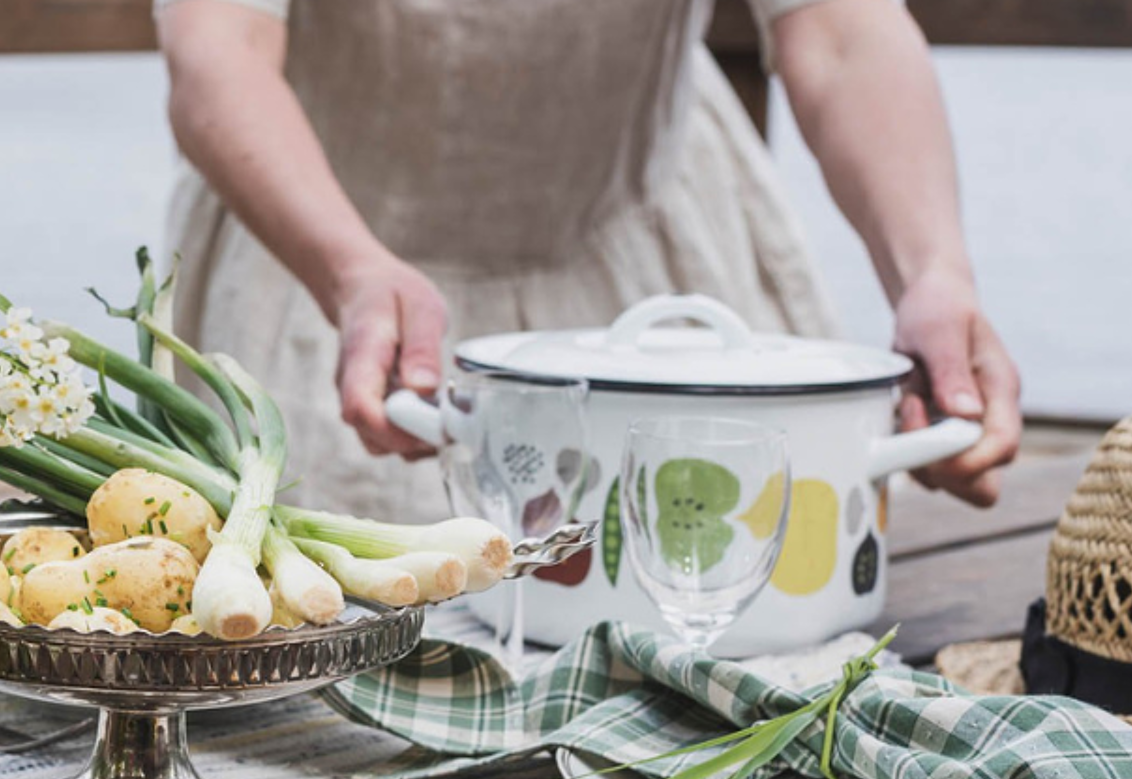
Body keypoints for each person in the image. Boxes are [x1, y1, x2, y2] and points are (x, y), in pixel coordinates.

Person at [156, 0, 1021, 523]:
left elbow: (841, 33)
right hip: (319, 273)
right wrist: (346, 269)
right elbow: (217, 55)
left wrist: (932, 273)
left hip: (646, 273)